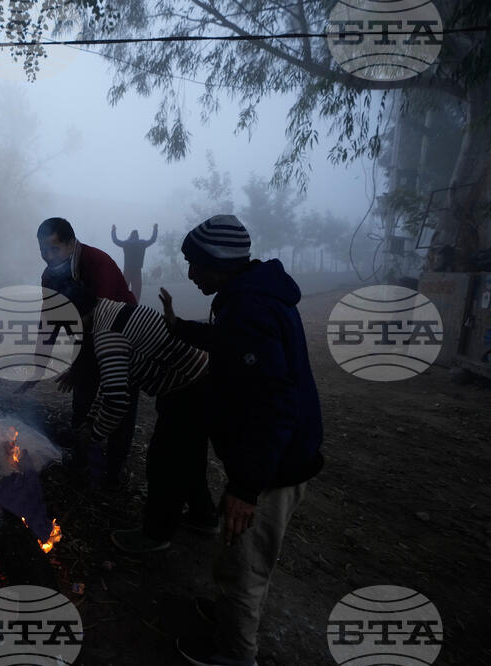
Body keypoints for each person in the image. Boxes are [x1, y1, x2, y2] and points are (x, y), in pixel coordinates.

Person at [159, 214, 323, 666]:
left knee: (243, 570)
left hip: (272, 468)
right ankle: (230, 618)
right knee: (238, 559)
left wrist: (246, 488)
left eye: (195, 265)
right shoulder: (246, 298)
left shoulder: (250, 309)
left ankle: (235, 655)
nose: (190, 274)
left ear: (219, 263)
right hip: (273, 460)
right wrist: (180, 327)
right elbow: (226, 341)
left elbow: (275, 406)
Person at [46, 274, 215, 554]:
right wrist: (90, 419)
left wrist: (95, 434)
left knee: (164, 463)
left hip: (189, 389)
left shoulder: (106, 336)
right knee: (190, 455)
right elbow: (115, 382)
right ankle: (204, 516)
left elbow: (116, 399)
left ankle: (155, 535)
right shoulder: (109, 308)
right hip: (202, 379)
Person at [24, 217, 139, 488]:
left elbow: (101, 317)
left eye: (54, 249)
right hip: (90, 337)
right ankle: (82, 456)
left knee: (117, 401)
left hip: (121, 335)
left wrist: (77, 365)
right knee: (83, 401)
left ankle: (113, 471)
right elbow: (49, 320)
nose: (48, 257)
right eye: (43, 250)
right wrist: (38, 367)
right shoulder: (50, 276)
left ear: (72, 244)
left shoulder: (97, 263)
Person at [112, 223, 158, 302]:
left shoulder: (126, 243)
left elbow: (115, 240)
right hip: (137, 270)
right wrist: (155, 229)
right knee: (136, 289)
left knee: (124, 287)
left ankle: (123, 302)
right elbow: (152, 239)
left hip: (127, 270)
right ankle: (135, 303)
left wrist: (113, 230)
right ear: (138, 236)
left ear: (130, 236)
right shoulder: (142, 243)